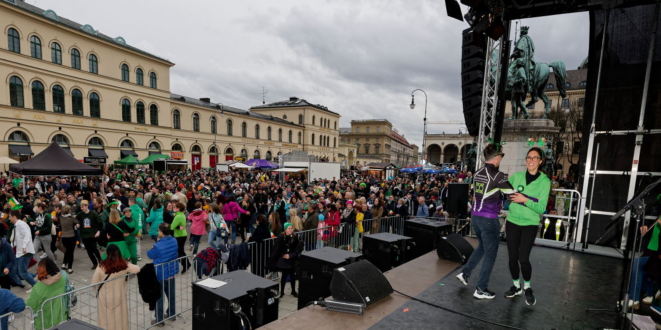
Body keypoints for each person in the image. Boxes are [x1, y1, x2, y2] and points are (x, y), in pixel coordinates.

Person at [456, 144, 508, 300]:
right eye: (500, 157)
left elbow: (475, 194)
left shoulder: (478, 173)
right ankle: (481, 288)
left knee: (482, 248)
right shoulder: (498, 176)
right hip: (488, 219)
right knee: (490, 255)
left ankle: (465, 273)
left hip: (476, 217)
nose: (501, 160)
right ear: (496, 157)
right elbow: (512, 193)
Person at [504, 147, 551, 306]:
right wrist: (510, 197)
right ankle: (516, 286)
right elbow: (508, 197)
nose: (531, 160)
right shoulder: (516, 177)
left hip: (530, 224)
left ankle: (527, 287)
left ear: (540, 161)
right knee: (512, 258)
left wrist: (524, 199)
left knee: (523, 258)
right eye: (529, 157)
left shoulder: (545, 182)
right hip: (512, 222)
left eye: (535, 157)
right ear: (525, 160)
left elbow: (542, 208)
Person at [92, 244, 140, 330]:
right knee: (120, 319)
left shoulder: (101, 266)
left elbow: (94, 283)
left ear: (107, 253)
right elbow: (137, 269)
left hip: (104, 297)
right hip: (119, 295)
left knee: (106, 320)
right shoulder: (124, 265)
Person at [147, 223, 179, 325]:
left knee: (159, 297)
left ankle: (159, 320)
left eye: (158, 230)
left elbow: (150, 254)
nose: (157, 232)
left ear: (161, 232)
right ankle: (172, 313)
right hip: (171, 272)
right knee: (171, 294)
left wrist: (154, 246)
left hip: (160, 273)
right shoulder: (174, 240)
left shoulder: (157, 245)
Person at [26, 258, 67, 330]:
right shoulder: (64, 277)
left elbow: (30, 304)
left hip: (44, 321)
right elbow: (62, 273)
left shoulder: (38, 288)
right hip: (60, 315)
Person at [270, 223, 303, 298]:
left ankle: (293, 291)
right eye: (289, 228)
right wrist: (283, 255)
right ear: (285, 229)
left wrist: (291, 255)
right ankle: (282, 292)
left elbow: (298, 248)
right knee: (284, 276)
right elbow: (277, 248)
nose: (291, 229)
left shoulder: (295, 237)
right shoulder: (281, 237)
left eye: (291, 228)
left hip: (292, 259)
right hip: (284, 259)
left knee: (292, 276)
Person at [9, 210, 36, 288]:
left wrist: (24, 246)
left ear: (14, 217)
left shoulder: (21, 224)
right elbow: (16, 239)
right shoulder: (17, 225)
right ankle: (35, 276)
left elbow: (27, 235)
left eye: (10, 217)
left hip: (25, 252)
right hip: (20, 252)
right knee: (19, 271)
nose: (9, 218)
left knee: (22, 273)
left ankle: (36, 286)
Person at [76, 200, 102, 270]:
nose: (81, 208)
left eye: (83, 207)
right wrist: (77, 224)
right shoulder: (80, 214)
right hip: (84, 235)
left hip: (92, 235)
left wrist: (98, 231)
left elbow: (100, 223)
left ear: (86, 206)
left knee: (94, 249)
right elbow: (75, 220)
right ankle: (95, 263)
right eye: (81, 207)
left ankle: (100, 262)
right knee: (89, 251)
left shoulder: (93, 214)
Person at [59, 205, 79, 273]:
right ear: (69, 210)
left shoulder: (61, 217)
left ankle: (64, 264)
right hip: (71, 237)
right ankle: (70, 268)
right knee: (71, 253)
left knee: (67, 251)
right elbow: (77, 223)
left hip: (64, 237)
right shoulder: (71, 218)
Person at [170, 202, 190, 272]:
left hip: (179, 236)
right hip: (182, 235)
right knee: (181, 251)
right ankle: (187, 264)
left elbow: (172, 227)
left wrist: (177, 227)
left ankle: (186, 265)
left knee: (179, 252)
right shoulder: (181, 214)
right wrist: (178, 227)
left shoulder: (178, 216)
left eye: (175, 207)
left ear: (179, 209)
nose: (174, 208)